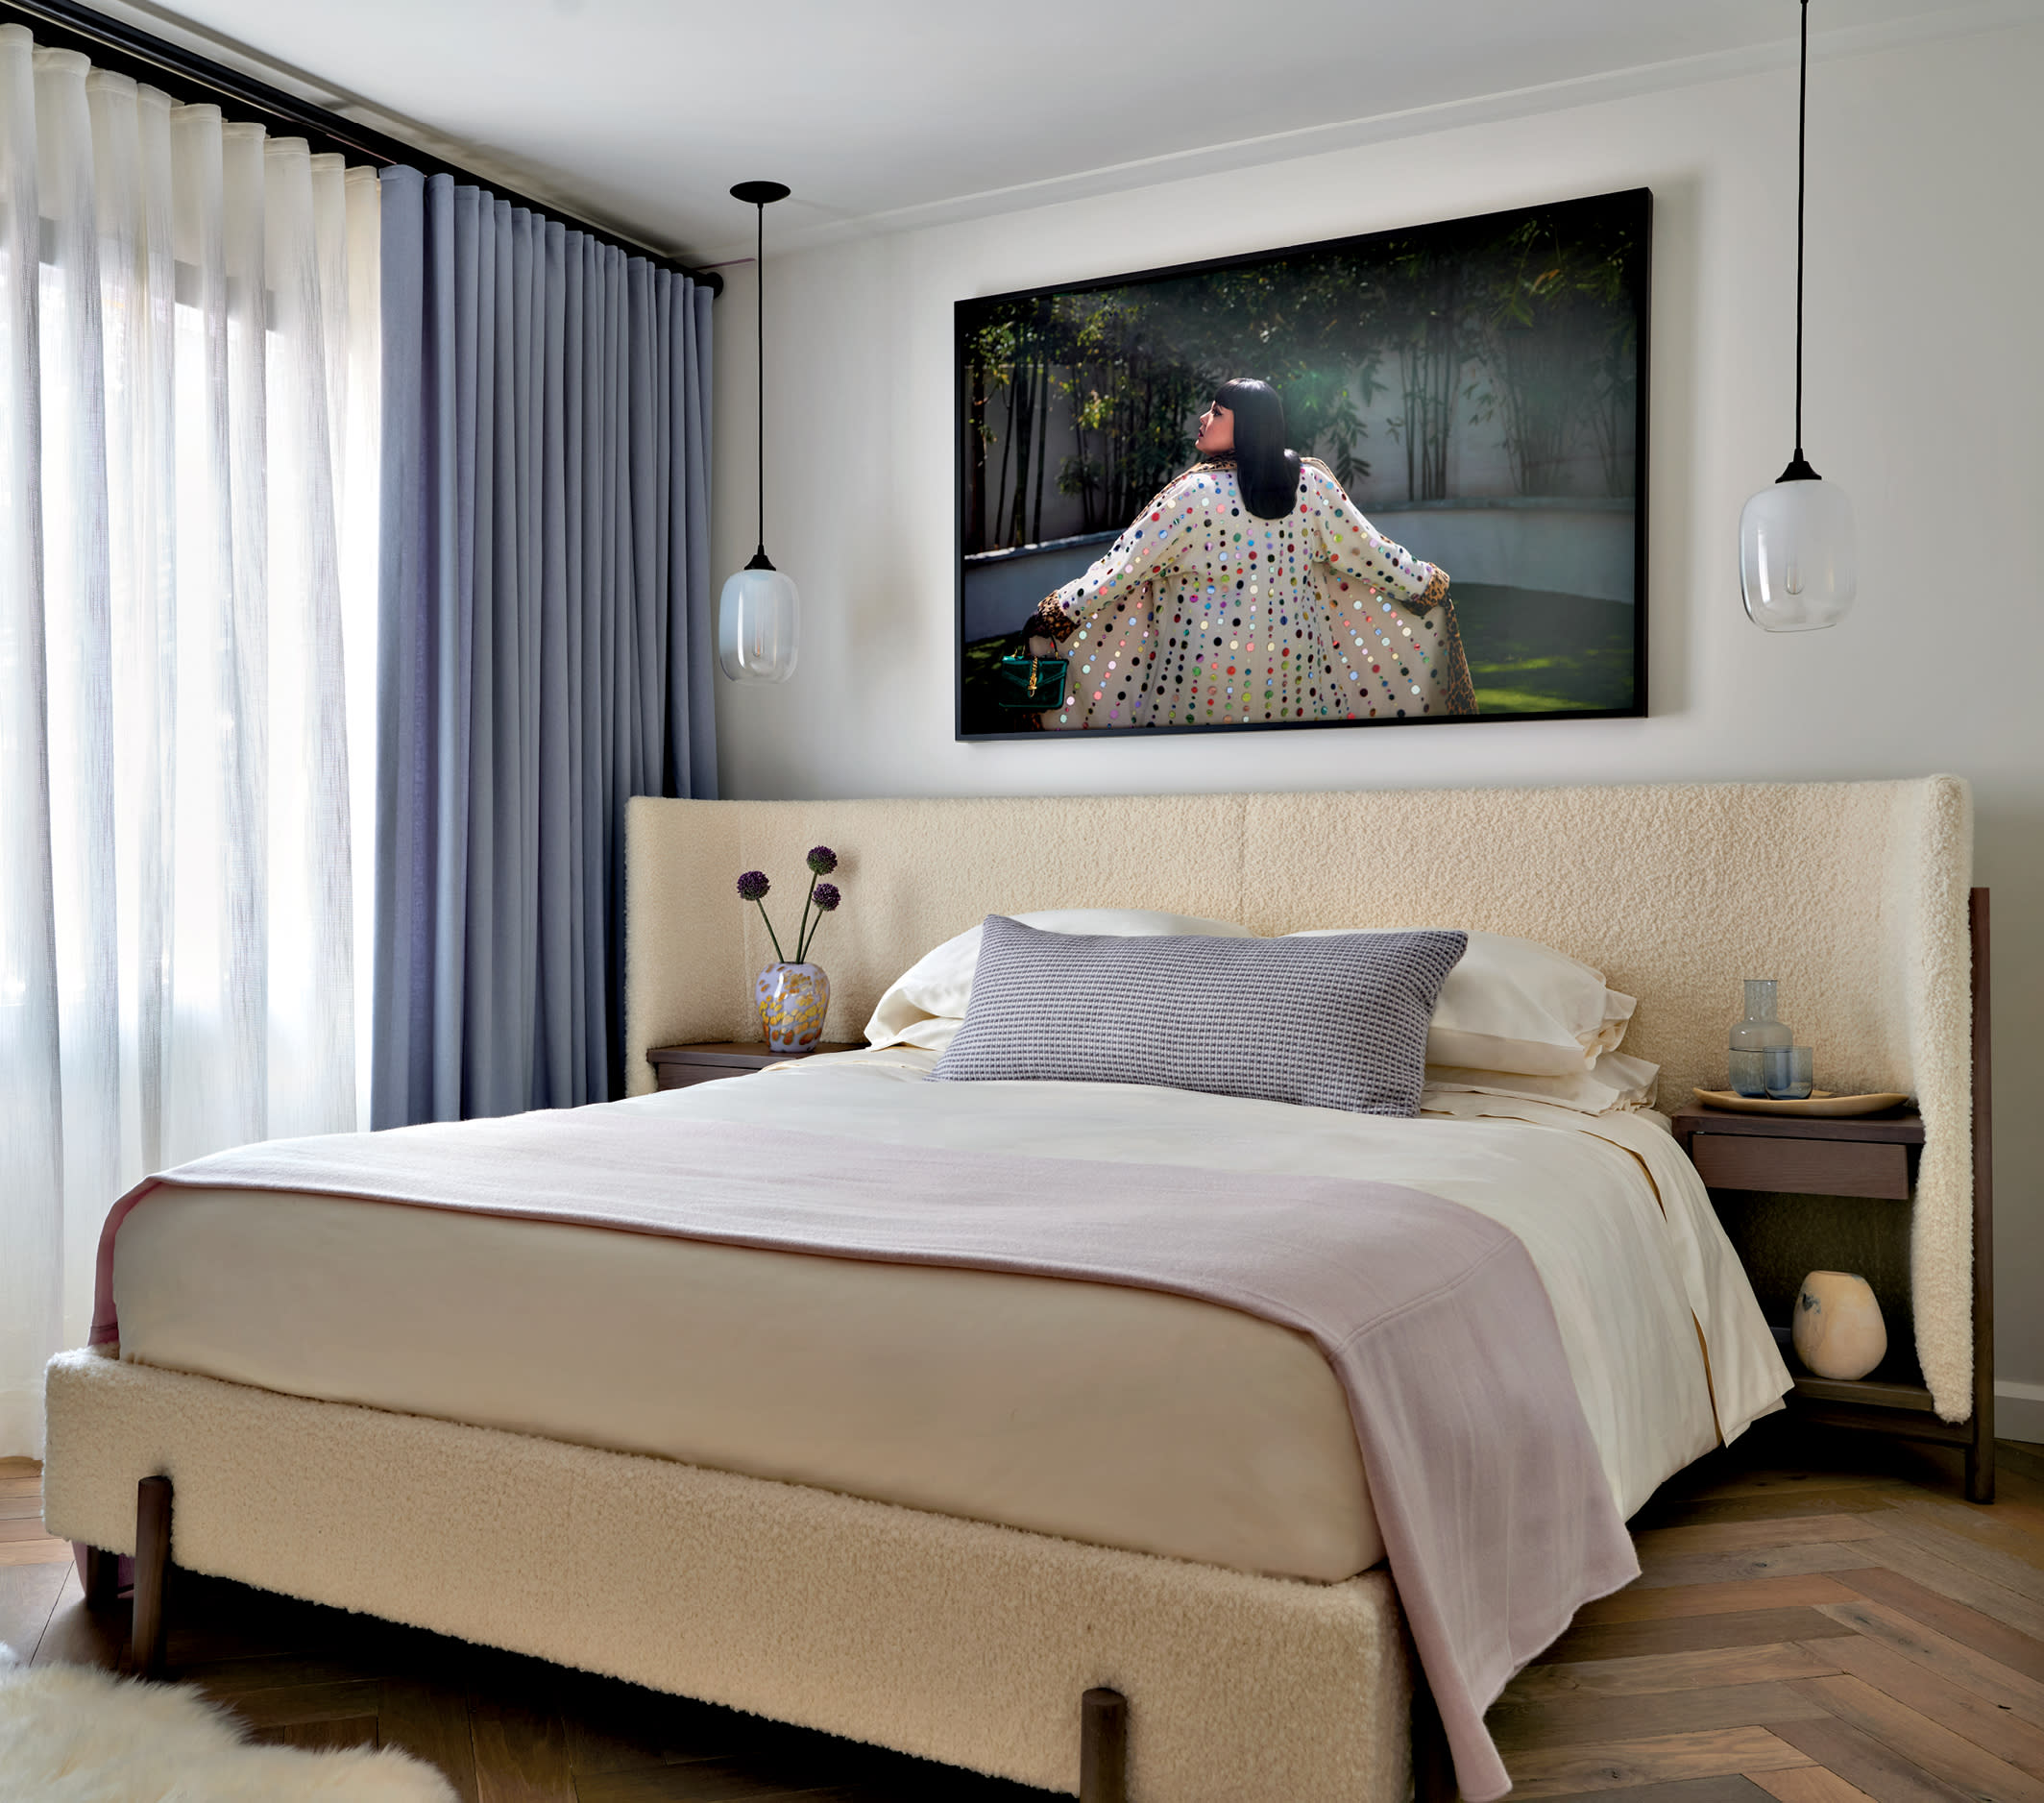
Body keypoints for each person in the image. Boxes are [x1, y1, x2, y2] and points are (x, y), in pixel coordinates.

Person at [1023, 378, 1476, 729]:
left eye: (1217, 411)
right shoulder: (1312, 486)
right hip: (1295, 678)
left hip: (1197, 681)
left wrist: (1057, 613)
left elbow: (1121, 570)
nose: (1204, 418)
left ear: (1247, 424)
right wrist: (1426, 585)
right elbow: (1370, 553)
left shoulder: (1192, 495)